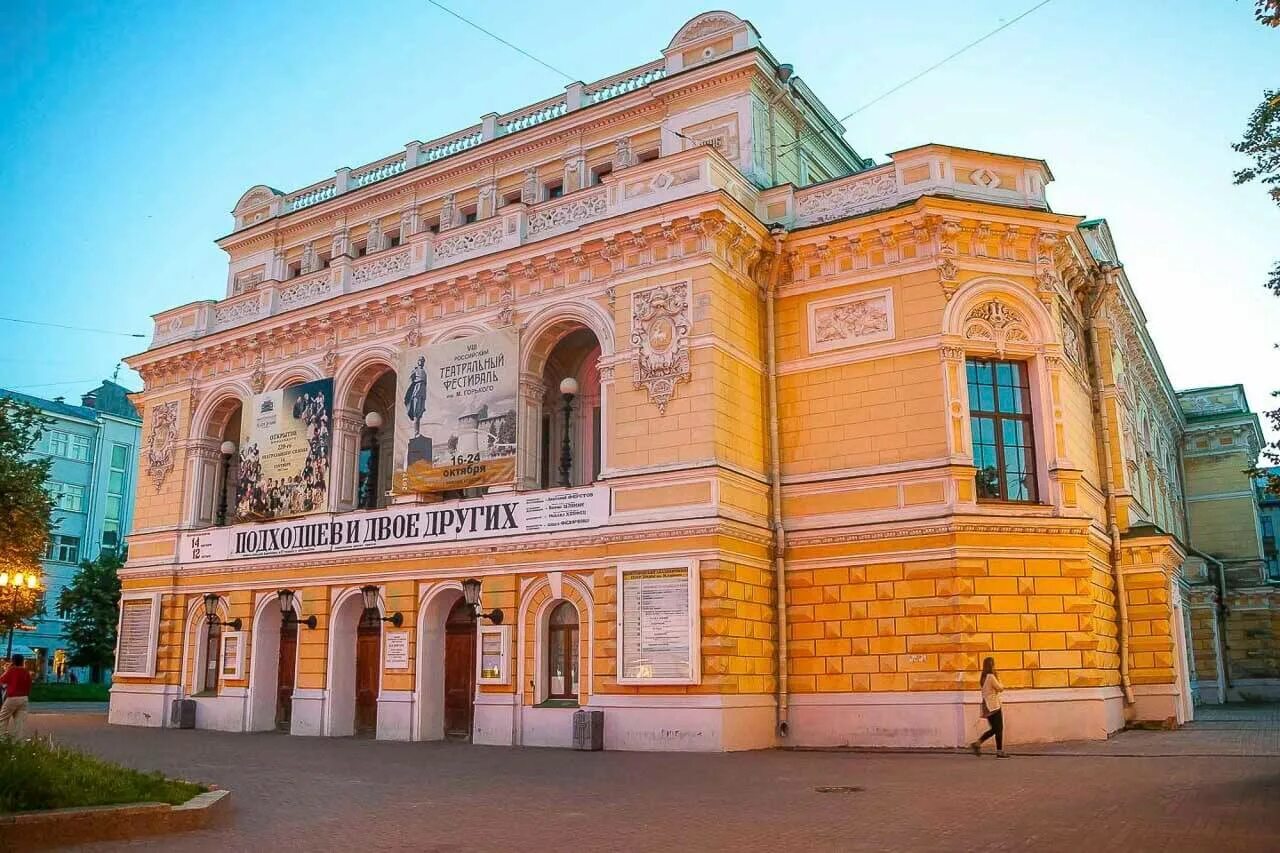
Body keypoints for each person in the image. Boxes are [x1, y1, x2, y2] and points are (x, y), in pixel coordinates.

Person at [970, 656, 1008, 758]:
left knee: (995, 729)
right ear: (992, 665)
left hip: (986, 705)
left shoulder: (983, 677)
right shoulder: (991, 676)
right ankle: (998, 751)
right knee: (998, 729)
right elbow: (1000, 688)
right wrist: (999, 678)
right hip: (994, 705)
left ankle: (978, 743)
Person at [0, 653, 33, 739]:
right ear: (22, 661)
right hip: (24, 698)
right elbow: (29, 685)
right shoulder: (26, 671)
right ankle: (19, 743)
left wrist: (7, 669)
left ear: (13, 661)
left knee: (2, 719)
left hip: (12, 697)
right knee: (20, 723)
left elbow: (2, 680)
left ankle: (1, 739)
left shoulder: (12, 670)